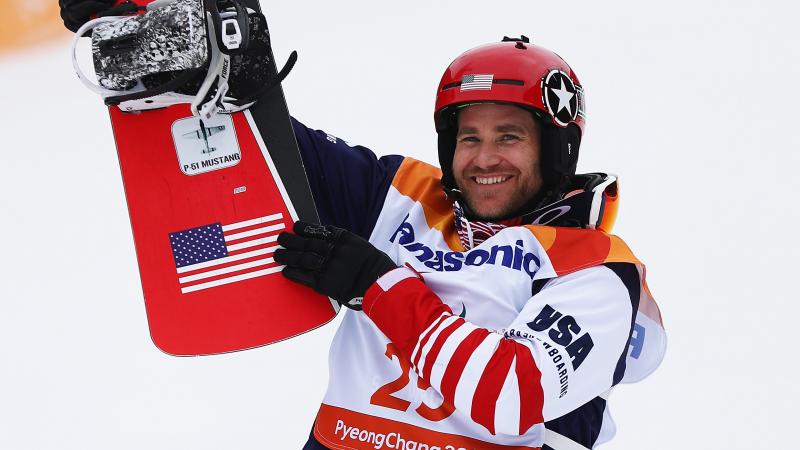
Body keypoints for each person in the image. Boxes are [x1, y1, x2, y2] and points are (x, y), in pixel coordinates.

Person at [60, 2, 666, 449]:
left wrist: (378, 285)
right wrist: (188, 58)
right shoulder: (407, 198)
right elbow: (268, 147)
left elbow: (509, 394)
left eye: (510, 137)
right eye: (469, 137)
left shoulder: (599, 271)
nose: (484, 159)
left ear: (558, 152)